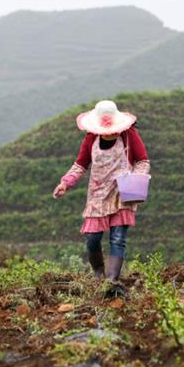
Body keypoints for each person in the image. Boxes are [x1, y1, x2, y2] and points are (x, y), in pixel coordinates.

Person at [53, 100, 150, 297]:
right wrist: (65, 183)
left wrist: (136, 178)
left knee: (118, 237)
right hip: (97, 194)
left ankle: (111, 280)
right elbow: (80, 165)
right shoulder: (91, 139)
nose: (108, 132)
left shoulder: (129, 135)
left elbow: (142, 161)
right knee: (93, 238)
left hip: (122, 192)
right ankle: (98, 272)